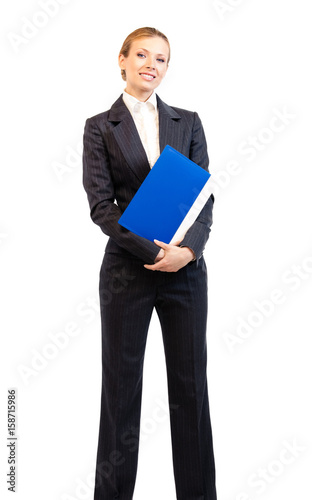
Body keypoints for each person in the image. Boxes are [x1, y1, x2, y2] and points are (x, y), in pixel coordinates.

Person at [83, 27, 217, 500]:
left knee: (190, 390)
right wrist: (153, 252)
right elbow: (102, 207)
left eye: (160, 59)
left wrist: (188, 252)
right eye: (142, 55)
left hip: (186, 274)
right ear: (122, 60)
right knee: (120, 392)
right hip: (126, 275)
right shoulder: (100, 126)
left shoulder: (189, 121)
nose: (151, 65)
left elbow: (203, 197)